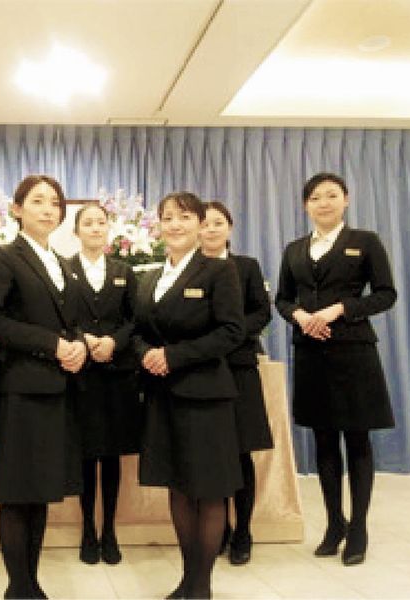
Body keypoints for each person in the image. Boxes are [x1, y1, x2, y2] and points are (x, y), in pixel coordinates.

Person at [275, 172, 396, 566]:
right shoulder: (294, 249)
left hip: (354, 352)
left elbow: (385, 294)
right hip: (310, 352)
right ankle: (334, 523)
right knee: (323, 440)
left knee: (357, 440)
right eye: (315, 197)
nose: (323, 203)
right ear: (305, 205)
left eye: (331, 195)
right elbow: (282, 299)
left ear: (346, 200)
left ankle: (358, 527)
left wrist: (340, 309)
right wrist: (299, 316)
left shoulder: (365, 242)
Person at [0, 174, 87, 599]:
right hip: (23, 389)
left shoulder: (63, 264)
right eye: (38, 201)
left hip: (58, 389)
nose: (48, 209)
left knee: (40, 491)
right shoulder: (5, 257)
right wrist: (53, 345)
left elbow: (70, 323)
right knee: (17, 492)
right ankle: (18, 586)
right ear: (17, 209)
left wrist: (77, 345)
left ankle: (31, 583)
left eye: (55, 202)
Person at [133, 192, 244, 600]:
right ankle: (186, 578)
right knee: (177, 487)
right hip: (162, 396)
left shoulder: (219, 271)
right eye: (167, 218)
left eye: (184, 217)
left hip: (205, 396)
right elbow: (136, 331)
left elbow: (231, 331)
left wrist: (174, 356)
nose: (175, 225)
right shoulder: (149, 278)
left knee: (209, 491)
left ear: (200, 224)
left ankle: (202, 586)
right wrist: (146, 354)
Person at [66, 203, 142, 566]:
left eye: (101, 222)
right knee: (85, 454)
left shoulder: (125, 272)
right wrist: (84, 340)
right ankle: (87, 531)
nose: (95, 228)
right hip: (80, 374)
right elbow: (60, 316)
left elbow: (136, 319)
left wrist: (113, 341)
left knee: (111, 456)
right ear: (76, 231)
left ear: (109, 230)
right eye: (88, 223)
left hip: (117, 374)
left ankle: (109, 530)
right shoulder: (63, 268)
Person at [199, 201, 274, 565]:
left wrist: (231, 334)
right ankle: (220, 529)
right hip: (201, 368)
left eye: (218, 223)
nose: (211, 229)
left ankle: (243, 530)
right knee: (212, 454)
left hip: (239, 365)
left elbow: (262, 311)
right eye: (205, 223)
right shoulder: (190, 268)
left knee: (241, 452)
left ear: (229, 228)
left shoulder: (246, 267)